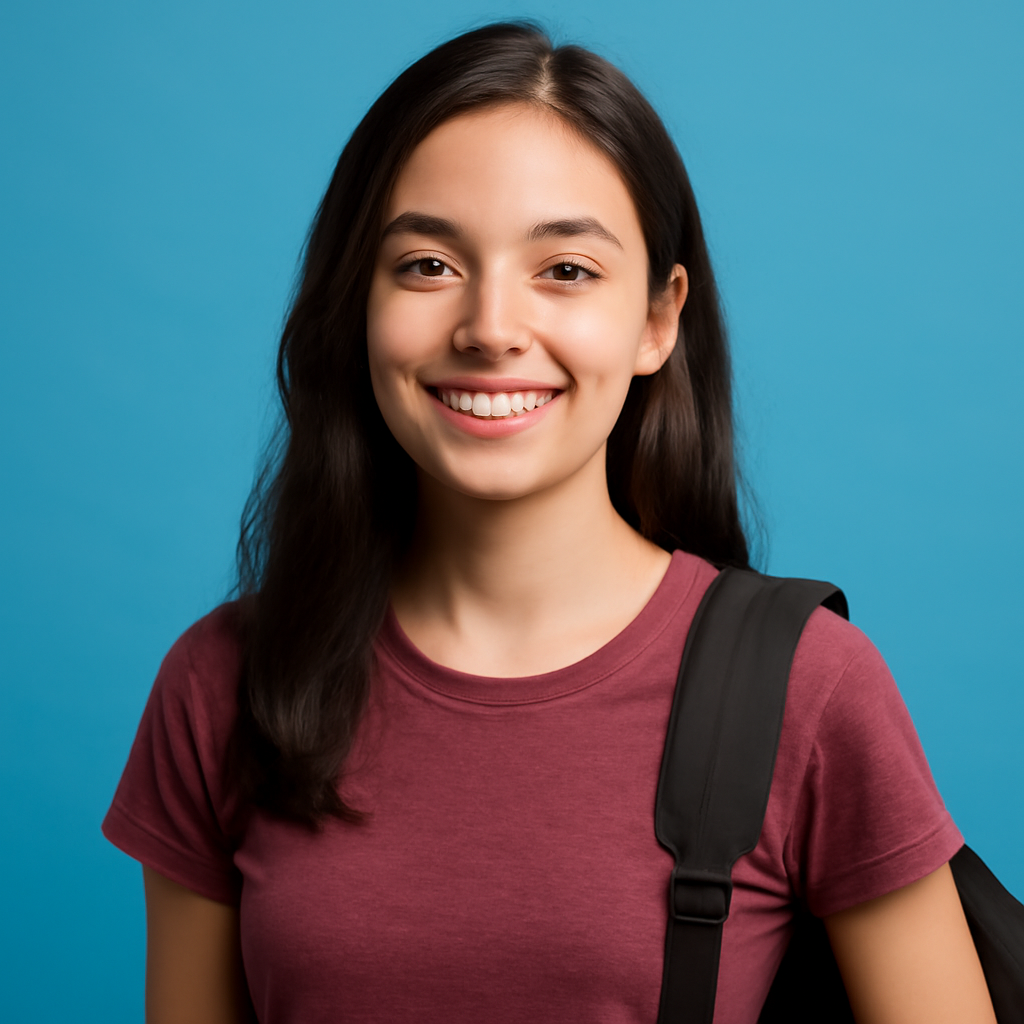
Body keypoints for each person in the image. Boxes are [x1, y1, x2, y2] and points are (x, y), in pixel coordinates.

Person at [103, 22, 997, 1024]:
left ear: (658, 318)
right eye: (427, 265)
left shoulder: (812, 688)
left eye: (565, 268)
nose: (490, 327)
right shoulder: (224, 683)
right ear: (357, 303)